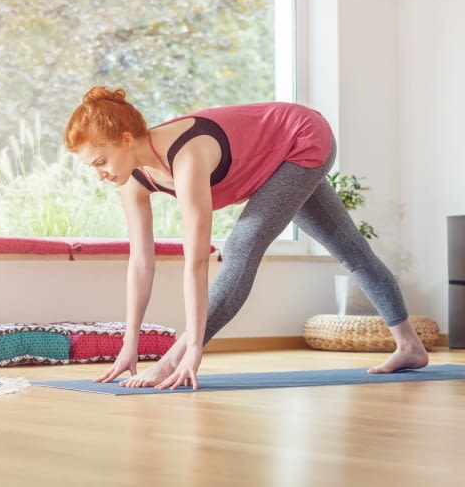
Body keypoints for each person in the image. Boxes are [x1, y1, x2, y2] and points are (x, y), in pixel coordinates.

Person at [63, 86, 429, 390]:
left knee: (242, 245)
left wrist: (190, 348)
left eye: (101, 162)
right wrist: (130, 345)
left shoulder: (186, 155)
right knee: (350, 247)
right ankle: (410, 345)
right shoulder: (133, 180)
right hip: (273, 159)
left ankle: (171, 358)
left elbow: (197, 261)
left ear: (126, 140)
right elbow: (141, 263)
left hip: (302, 137)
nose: (101, 175)